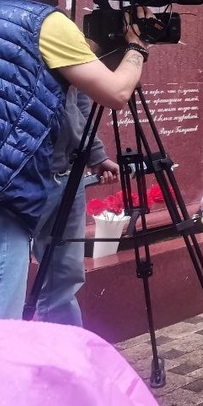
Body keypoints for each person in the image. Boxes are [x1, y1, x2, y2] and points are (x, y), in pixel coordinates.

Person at [0, 0, 149, 320]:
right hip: (10, 189)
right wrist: (137, 47)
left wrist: (93, 154)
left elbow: (62, 98)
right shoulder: (46, 22)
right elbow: (117, 92)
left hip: (23, 177)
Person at [32, 90, 120, 326]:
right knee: (3, 271)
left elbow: (79, 100)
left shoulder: (74, 63)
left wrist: (96, 154)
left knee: (65, 273)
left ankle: (64, 344)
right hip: (25, 175)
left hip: (70, 175)